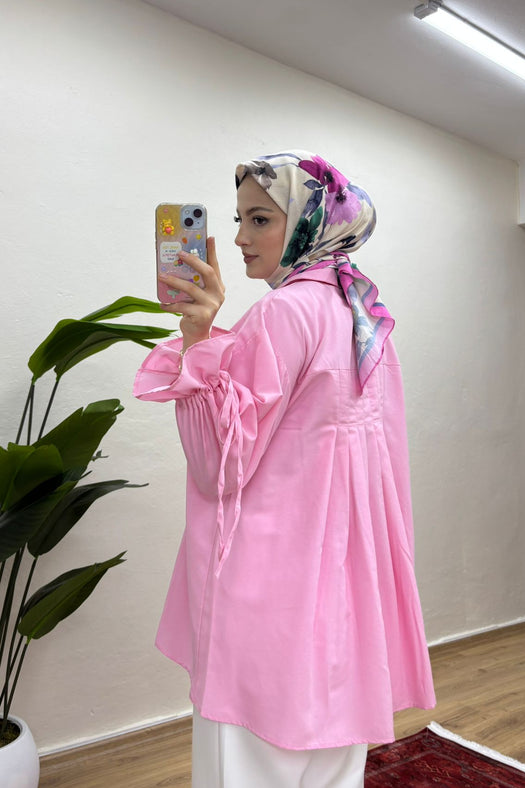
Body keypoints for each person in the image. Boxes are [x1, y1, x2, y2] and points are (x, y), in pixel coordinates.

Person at [134, 150, 436, 787]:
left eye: (261, 219)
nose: (240, 238)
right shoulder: (364, 317)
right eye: (239, 219)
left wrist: (196, 339)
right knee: (330, 756)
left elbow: (220, 465)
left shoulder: (283, 312)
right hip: (348, 585)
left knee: (247, 758)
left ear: (307, 223)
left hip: (271, 584)